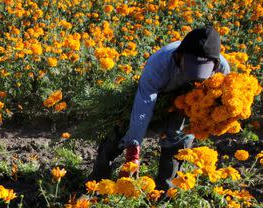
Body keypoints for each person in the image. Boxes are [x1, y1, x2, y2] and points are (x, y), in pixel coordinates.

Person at [91, 26, 230, 189]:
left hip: (190, 102)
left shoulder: (222, 69)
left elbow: (216, 106)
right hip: (159, 94)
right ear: (179, 56)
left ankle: (164, 193)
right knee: (123, 126)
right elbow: (144, 105)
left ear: (214, 64)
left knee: (179, 138)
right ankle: (96, 182)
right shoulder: (159, 64)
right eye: (191, 68)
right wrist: (133, 148)